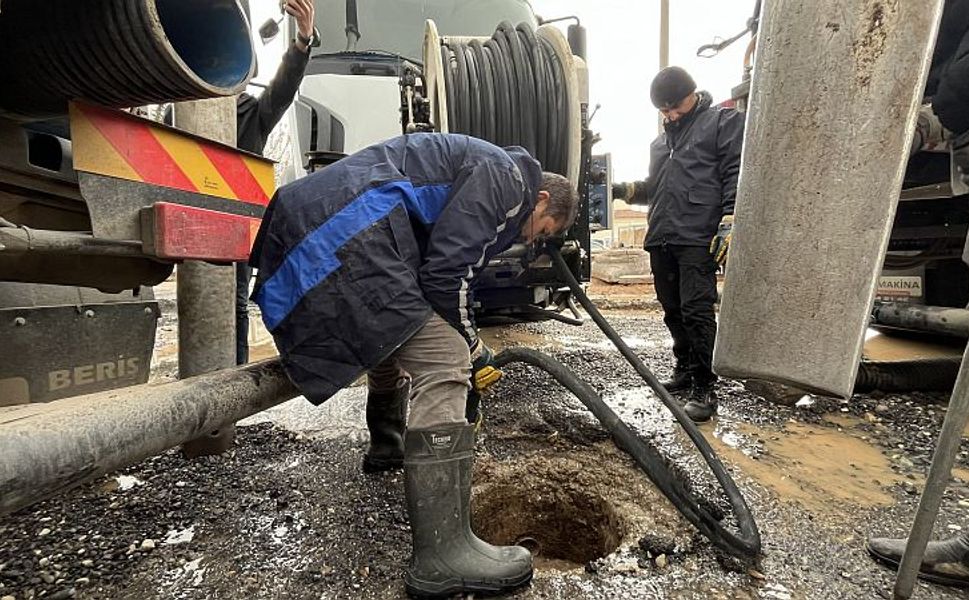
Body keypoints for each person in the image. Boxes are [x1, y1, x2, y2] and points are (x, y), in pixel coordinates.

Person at [248, 132, 578, 597]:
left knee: (394, 330)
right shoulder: (507, 180)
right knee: (444, 357)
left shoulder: (485, 170)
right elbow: (447, 276)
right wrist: (471, 348)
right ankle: (444, 555)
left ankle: (388, 443)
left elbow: (431, 271)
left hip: (318, 219)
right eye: (542, 228)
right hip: (349, 229)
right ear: (541, 197)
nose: (534, 238)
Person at [613, 66, 744, 422]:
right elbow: (655, 187)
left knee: (696, 310)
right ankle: (685, 369)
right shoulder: (660, 143)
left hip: (697, 235)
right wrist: (621, 190)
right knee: (671, 309)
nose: (670, 114)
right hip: (662, 235)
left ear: (693, 94)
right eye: (664, 110)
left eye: (675, 107)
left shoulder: (721, 123)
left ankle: (705, 386)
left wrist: (730, 220)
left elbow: (736, 172)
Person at [234, 0, 317, 365]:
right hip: (182, 220)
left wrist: (302, 40)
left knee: (234, 305)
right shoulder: (178, 111)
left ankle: (226, 390)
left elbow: (282, 88)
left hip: (236, 229)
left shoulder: (250, 114)